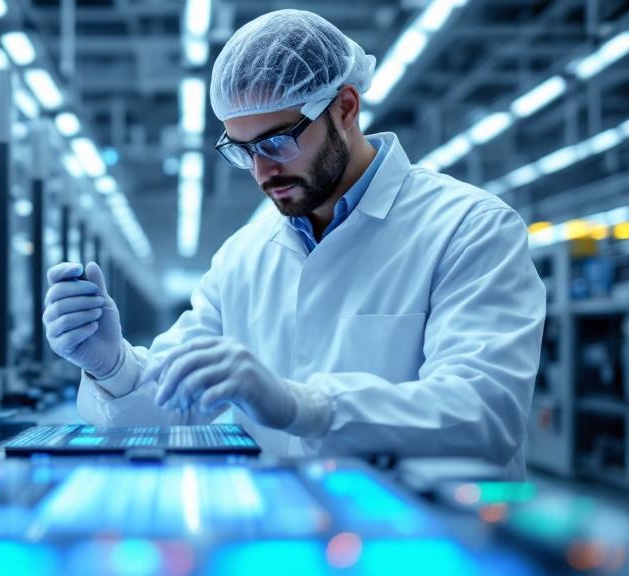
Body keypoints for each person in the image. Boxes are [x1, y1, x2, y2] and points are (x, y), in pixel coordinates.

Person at [42, 9, 545, 479]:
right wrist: (112, 366)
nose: (262, 171)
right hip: (287, 542)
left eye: (276, 142)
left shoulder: (469, 227)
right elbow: (173, 402)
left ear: (345, 107)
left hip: (435, 547)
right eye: (242, 151)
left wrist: (306, 406)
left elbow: (484, 414)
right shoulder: (242, 257)